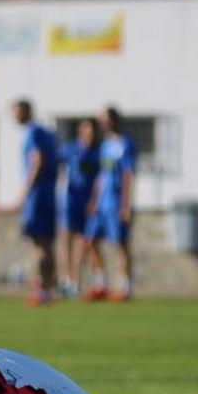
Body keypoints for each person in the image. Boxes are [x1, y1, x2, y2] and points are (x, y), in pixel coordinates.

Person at [83, 106, 138, 302]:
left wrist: (125, 205)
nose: (103, 124)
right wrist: (94, 200)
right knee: (90, 241)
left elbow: (128, 175)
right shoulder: (105, 146)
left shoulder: (126, 144)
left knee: (119, 245)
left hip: (116, 203)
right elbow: (102, 175)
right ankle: (101, 284)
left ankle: (126, 288)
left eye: (106, 120)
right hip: (101, 204)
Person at [11, 99, 60, 306]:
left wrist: (24, 193)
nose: (14, 116)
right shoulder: (47, 132)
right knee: (47, 245)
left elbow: (37, 161)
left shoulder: (34, 132)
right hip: (48, 194)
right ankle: (48, 290)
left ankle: (41, 289)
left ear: (25, 111)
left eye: (16, 112)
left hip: (37, 197)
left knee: (38, 245)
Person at [58, 118, 101, 298]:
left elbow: (102, 178)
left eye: (92, 133)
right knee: (65, 240)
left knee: (82, 243)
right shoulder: (70, 149)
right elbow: (53, 164)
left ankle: (76, 282)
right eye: (85, 132)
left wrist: (96, 201)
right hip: (69, 202)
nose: (88, 136)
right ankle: (64, 279)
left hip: (88, 203)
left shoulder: (98, 153)